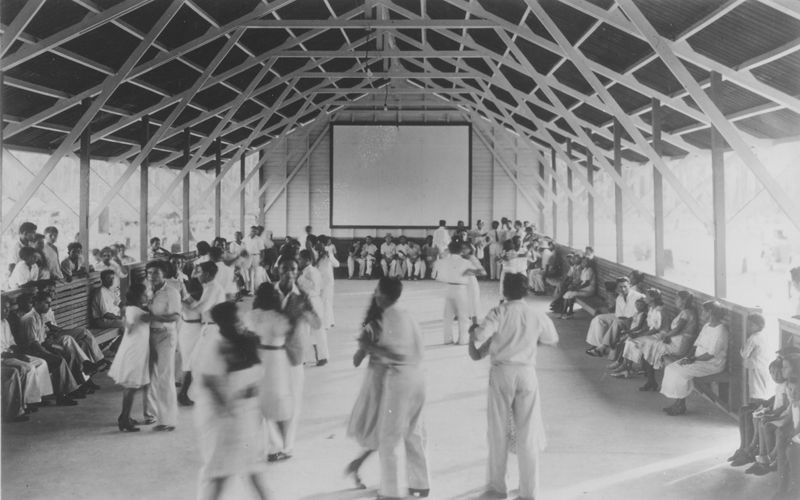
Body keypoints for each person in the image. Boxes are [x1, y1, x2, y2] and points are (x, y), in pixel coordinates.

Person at [469, 273, 559, 500]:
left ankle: (499, 488)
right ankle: (530, 492)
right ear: (526, 291)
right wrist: (528, 340)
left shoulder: (499, 312)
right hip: (527, 372)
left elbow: (480, 335)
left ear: (504, 291)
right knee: (527, 433)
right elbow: (552, 338)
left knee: (498, 431)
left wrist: (474, 331)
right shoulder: (535, 313)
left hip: (502, 373)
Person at [194, 301, 270, 500]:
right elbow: (208, 382)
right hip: (226, 418)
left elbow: (256, 375)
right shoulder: (216, 345)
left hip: (247, 413)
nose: (240, 322)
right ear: (223, 323)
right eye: (235, 319)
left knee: (252, 470)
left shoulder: (245, 340)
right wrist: (228, 412)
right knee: (222, 474)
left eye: (240, 318)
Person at [364, 277, 430, 499]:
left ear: (383, 294)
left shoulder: (390, 316)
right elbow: (419, 351)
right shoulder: (406, 313)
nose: (375, 295)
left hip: (400, 378)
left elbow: (395, 354)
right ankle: (420, 485)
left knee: (389, 437)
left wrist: (370, 347)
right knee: (414, 432)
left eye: (376, 291)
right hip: (418, 376)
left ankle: (389, 492)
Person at [265, 259, 321, 461]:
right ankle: (273, 446)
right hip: (270, 354)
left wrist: (305, 310)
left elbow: (317, 323)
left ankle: (286, 447)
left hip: (293, 355)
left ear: (298, 273)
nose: (289, 272)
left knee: (293, 402)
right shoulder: (267, 292)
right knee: (269, 401)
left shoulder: (302, 296)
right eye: (285, 268)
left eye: (293, 269)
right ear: (277, 270)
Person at [245, 284, 298, 464]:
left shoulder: (252, 315)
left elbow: (246, 335)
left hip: (258, 357)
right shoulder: (279, 317)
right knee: (276, 402)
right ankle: (278, 446)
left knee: (259, 402)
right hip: (277, 359)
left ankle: (265, 445)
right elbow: (288, 334)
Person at [660, 300, 729, 415]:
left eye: (703, 311)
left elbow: (710, 355)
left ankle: (680, 406)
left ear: (710, 312)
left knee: (680, 373)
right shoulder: (707, 326)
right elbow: (696, 344)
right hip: (697, 359)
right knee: (671, 368)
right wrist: (689, 356)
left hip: (712, 364)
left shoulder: (721, 330)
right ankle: (678, 403)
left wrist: (692, 360)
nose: (702, 314)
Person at [345, 296, 384, 489]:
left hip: (387, 378)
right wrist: (365, 347)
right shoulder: (372, 327)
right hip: (378, 380)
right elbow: (356, 360)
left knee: (385, 429)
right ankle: (358, 465)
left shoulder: (388, 324)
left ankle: (357, 464)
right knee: (382, 428)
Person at [180, 261, 226, 407]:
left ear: (206, 274)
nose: (197, 275)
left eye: (199, 272)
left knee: (199, 362)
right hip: (208, 327)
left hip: (213, 329)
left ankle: (187, 394)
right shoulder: (208, 287)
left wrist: (180, 301)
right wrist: (186, 297)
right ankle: (186, 394)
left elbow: (200, 308)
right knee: (196, 361)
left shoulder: (213, 288)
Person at [108, 284, 152, 432]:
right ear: (138, 296)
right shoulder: (137, 312)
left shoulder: (131, 309)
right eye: (145, 293)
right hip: (134, 352)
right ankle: (124, 420)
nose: (147, 295)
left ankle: (124, 416)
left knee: (131, 386)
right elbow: (139, 323)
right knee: (130, 386)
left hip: (134, 350)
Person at [638, 290, 700, 392]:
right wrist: (667, 336)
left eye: (677, 299)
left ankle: (651, 381)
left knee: (650, 348)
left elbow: (677, 329)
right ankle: (650, 380)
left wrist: (666, 336)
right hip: (678, 341)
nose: (675, 300)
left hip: (679, 345)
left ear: (683, 301)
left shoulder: (686, 313)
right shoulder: (687, 311)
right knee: (650, 347)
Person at [144, 260, 181, 431]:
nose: (152, 276)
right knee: (150, 376)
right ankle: (152, 414)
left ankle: (168, 420)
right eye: (149, 273)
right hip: (148, 336)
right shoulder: (148, 290)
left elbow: (174, 316)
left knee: (165, 376)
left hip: (166, 336)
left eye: (156, 273)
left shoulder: (171, 292)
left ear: (164, 274)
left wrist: (153, 318)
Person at [1, 300, 52, 414]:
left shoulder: (4, 322)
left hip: (10, 354)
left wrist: (19, 350)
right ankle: (27, 402)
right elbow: (2, 353)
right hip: (3, 358)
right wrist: (17, 356)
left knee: (41, 362)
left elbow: (11, 342)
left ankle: (40, 397)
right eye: (4, 308)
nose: (7, 311)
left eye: (8, 308)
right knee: (28, 367)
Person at [584, 277, 644, 357]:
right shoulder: (619, 298)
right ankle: (598, 345)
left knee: (617, 322)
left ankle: (602, 348)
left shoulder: (638, 296)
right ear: (617, 287)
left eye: (625, 286)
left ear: (629, 285)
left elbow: (641, 313)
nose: (623, 289)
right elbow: (618, 314)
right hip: (621, 318)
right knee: (598, 319)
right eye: (620, 287)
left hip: (633, 320)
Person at [437, 241, 478, 345]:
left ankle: (447, 339)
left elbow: (438, 276)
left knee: (447, 316)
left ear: (449, 250)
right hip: (461, 288)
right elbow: (475, 273)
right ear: (461, 250)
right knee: (463, 315)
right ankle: (463, 340)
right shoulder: (466, 262)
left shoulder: (444, 261)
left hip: (449, 287)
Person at [297, 249, 328, 366]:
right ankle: (308, 357)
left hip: (311, 300)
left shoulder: (310, 271)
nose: (298, 261)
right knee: (306, 330)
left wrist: (300, 278)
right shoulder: (306, 270)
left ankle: (322, 356)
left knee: (314, 330)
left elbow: (314, 287)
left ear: (308, 260)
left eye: (300, 259)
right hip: (310, 300)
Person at [315, 242, 339, 328]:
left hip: (328, 281)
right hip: (319, 281)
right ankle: (329, 321)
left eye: (320, 249)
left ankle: (327, 323)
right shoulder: (315, 256)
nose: (319, 251)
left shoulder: (328, 255)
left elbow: (337, 264)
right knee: (324, 301)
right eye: (317, 249)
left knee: (327, 301)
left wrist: (330, 257)